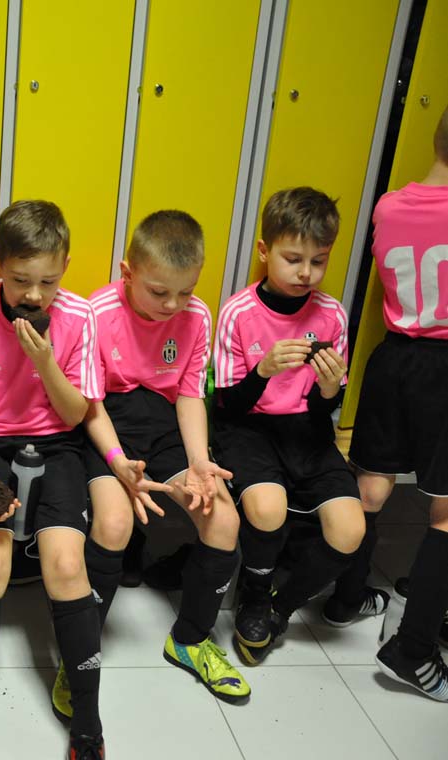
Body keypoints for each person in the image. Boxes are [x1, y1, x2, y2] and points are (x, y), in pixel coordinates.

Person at [0, 200, 105, 760]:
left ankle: (88, 724)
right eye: (19, 281)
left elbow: (76, 414)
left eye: (48, 283)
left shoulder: (79, 316)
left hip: (57, 442)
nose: (34, 296)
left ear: (65, 270)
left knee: (66, 564)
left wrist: (44, 363)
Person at [68, 210, 249, 714]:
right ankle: (80, 650)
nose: (173, 305)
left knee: (223, 518)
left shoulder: (198, 316)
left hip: (166, 425)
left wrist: (198, 461)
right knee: (114, 522)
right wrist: (118, 463)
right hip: (106, 426)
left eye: (185, 292)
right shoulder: (95, 312)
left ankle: (190, 640)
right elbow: (89, 404)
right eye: (158, 292)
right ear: (127, 273)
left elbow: (189, 394)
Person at [213, 187, 366, 664]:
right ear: (265, 251)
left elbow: (324, 411)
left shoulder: (332, 314)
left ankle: (280, 607)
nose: (306, 273)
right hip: (248, 428)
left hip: (306, 431)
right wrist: (262, 372)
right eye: (294, 259)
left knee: (350, 530)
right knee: (268, 509)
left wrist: (329, 389)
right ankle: (255, 594)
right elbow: (227, 407)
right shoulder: (239, 312)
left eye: (318, 261)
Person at [348, 107, 448, 700]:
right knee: (446, 514)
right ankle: (412, 650)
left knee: (372, 489)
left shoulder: (388, 205)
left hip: (392, 359)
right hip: (444, 364)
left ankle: (348, 596)